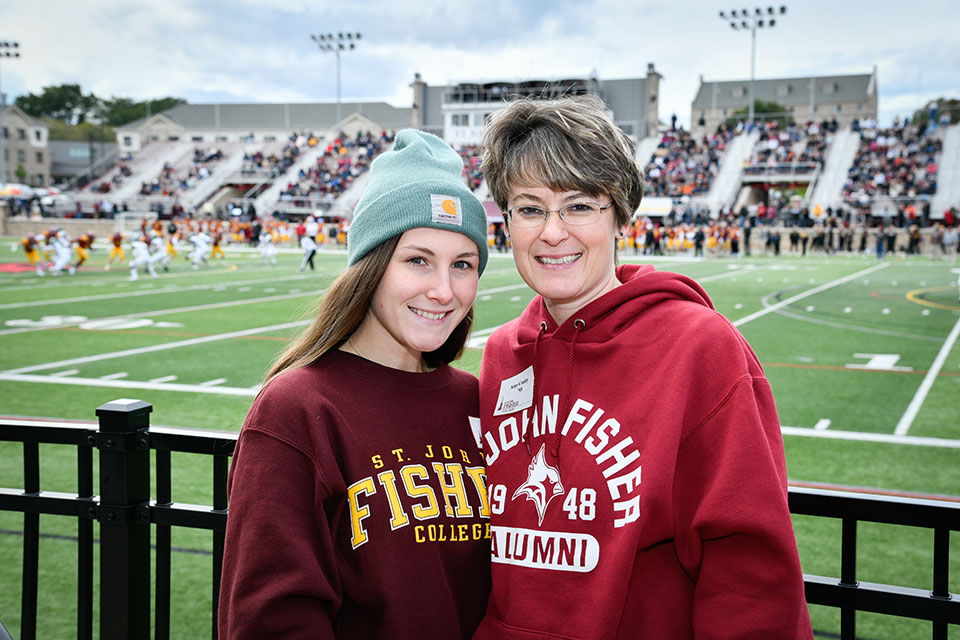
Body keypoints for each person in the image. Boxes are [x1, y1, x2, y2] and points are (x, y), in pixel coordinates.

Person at [474, 95, 812, 639]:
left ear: (622, 219)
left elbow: (750, 571)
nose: (552, 231)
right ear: (507, 224)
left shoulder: (700, 347)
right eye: (530, 208)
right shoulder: (500, 355)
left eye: (579, 206)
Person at [219, 129, 492, 639]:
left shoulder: (478, 402)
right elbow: (270, 620)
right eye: (417, 259)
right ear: (370, 265)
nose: (443, 290)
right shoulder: (297, 409)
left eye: (463, 265)